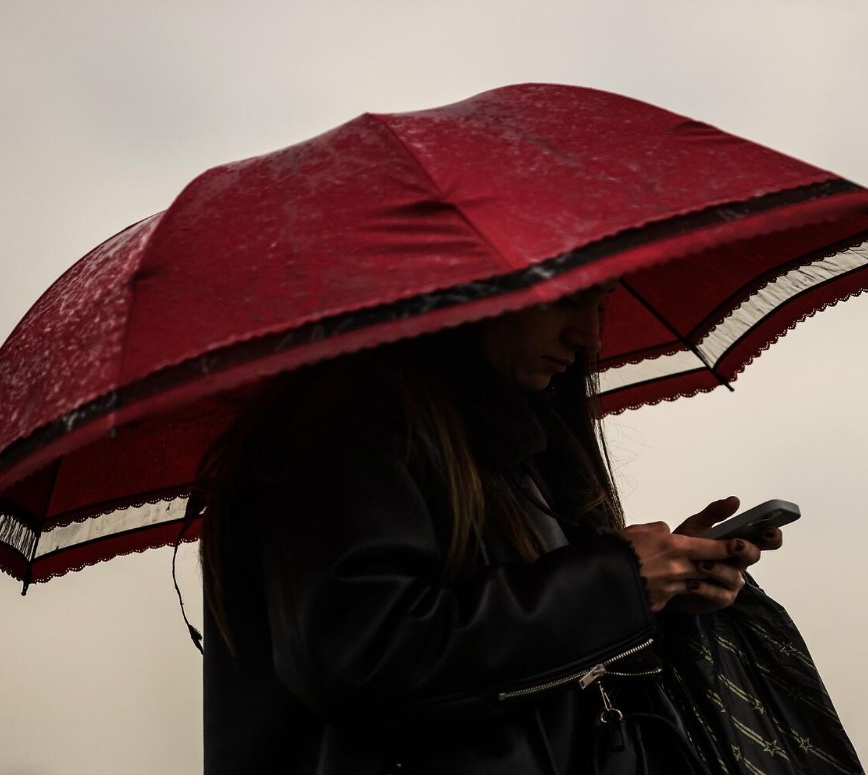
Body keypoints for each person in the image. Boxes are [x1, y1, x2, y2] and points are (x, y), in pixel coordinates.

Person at [195, 280, 785, 774]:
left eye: (598, 304)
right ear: (472, 288)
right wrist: (615, 584)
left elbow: (511, 658)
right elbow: (365, 656)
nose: (591, 336)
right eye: (566, 299)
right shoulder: (339, 428)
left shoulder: (498, 445)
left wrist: (663, 589)